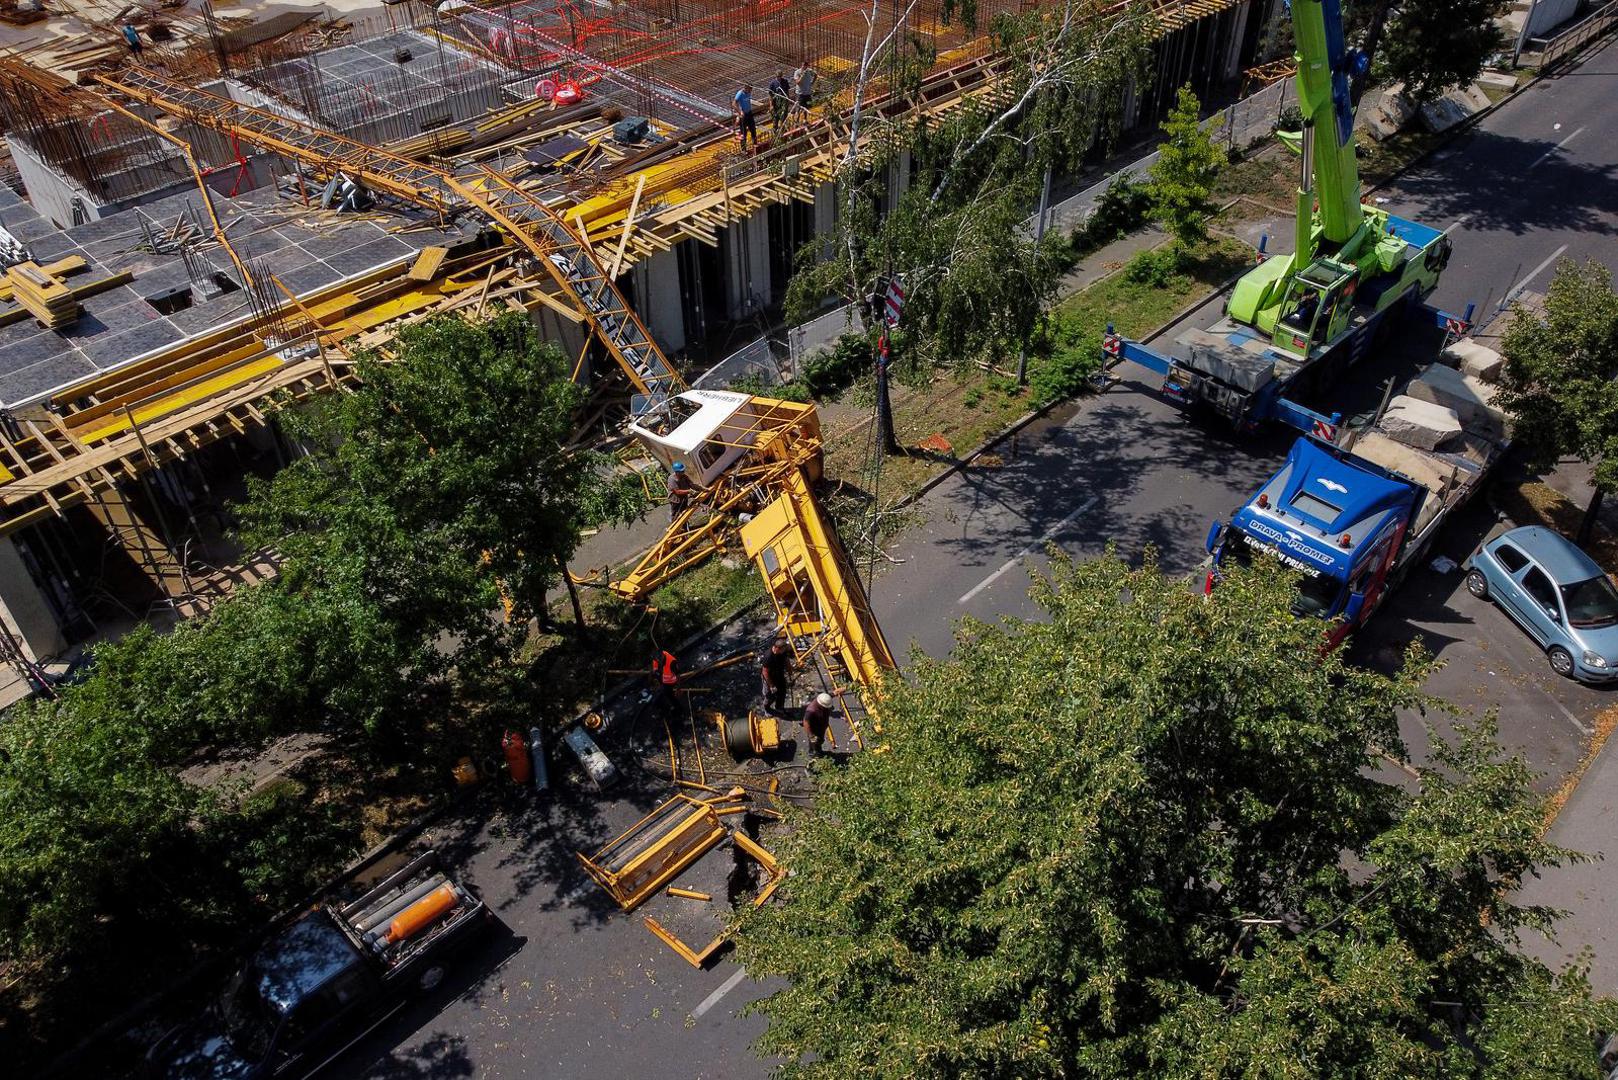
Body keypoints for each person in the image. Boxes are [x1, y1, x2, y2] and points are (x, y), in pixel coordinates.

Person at [760, 637, 792, 713]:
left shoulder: (782, 651)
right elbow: (765, 672)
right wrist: (771, 686)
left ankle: (779, 707)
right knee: (770, 696)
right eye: (783, 649)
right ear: (777, 648)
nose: (784, 651)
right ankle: (767, 709)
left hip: (779, 674)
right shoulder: (768, 657)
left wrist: (789, 668)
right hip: (770, 678)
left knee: (782, 692)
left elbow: (786, 659)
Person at [802, 690, 838, 756]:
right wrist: (811, 735)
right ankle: (814, 753)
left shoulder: (824, 698)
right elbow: (806, 722)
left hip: (821, 726)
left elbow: (834, 693)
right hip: (815, 729)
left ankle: (817, 750)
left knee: (820, 740)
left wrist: (845, 688)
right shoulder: (811, 710)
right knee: (816, 741)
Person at [650, 648, 681, 714]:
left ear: (662, 655)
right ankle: (667, 707)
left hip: (670, 682)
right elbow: (655, 671)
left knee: (670, 695)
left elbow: (678, 675)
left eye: (659, 659)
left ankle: (678, 709)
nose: (658, 661)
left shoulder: (672, 662)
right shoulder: (655, 658)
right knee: (661, 696)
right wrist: (655, 680)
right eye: (656, 659)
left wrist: (678, 688)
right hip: (663, 679)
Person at [733, 83, 758, 150]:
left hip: (749, 113)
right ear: (746, 88)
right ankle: (744, 149)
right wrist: (739, 112)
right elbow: (734, 104)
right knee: (744, 133)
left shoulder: (748, 92)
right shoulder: (740, 94)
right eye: (750, 90)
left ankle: (755, 145)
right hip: (743, 115)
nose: (750, 91)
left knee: (753, 130)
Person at [766, 71, 792, 137]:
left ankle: (783, 130)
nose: (779, 78)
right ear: (775, 76)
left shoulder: (785, 81)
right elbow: (770, 95)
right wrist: (771, 105)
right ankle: (775, 131)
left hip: (783, 102)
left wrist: (788, 100)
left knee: (784, 116)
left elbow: (787, 91)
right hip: (776, 103)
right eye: (778, 77)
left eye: (780, 76)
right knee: (776, 117)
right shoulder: (772, 83)